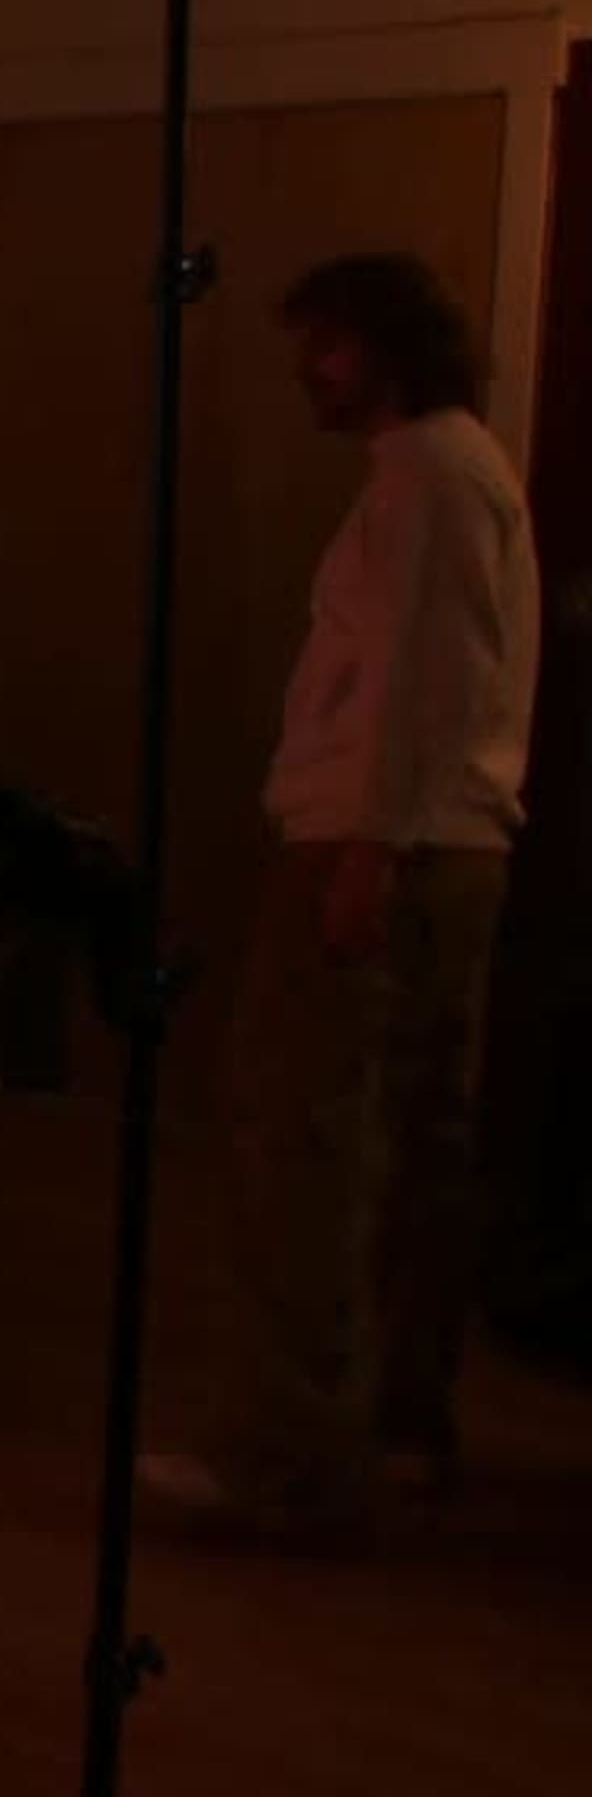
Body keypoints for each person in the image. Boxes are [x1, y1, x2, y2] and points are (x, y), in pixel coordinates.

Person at [143, 253, 540, 1533]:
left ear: (386, 346)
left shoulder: (426, 476)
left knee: (302, 1140)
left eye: (329, 345)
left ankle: (284, 1453)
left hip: (385, 842)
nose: (312, 371)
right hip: (450, 842)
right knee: (418, 1142)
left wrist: (365, 843)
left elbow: (420, 677)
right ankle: (397, 1423)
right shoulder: (460, 469)